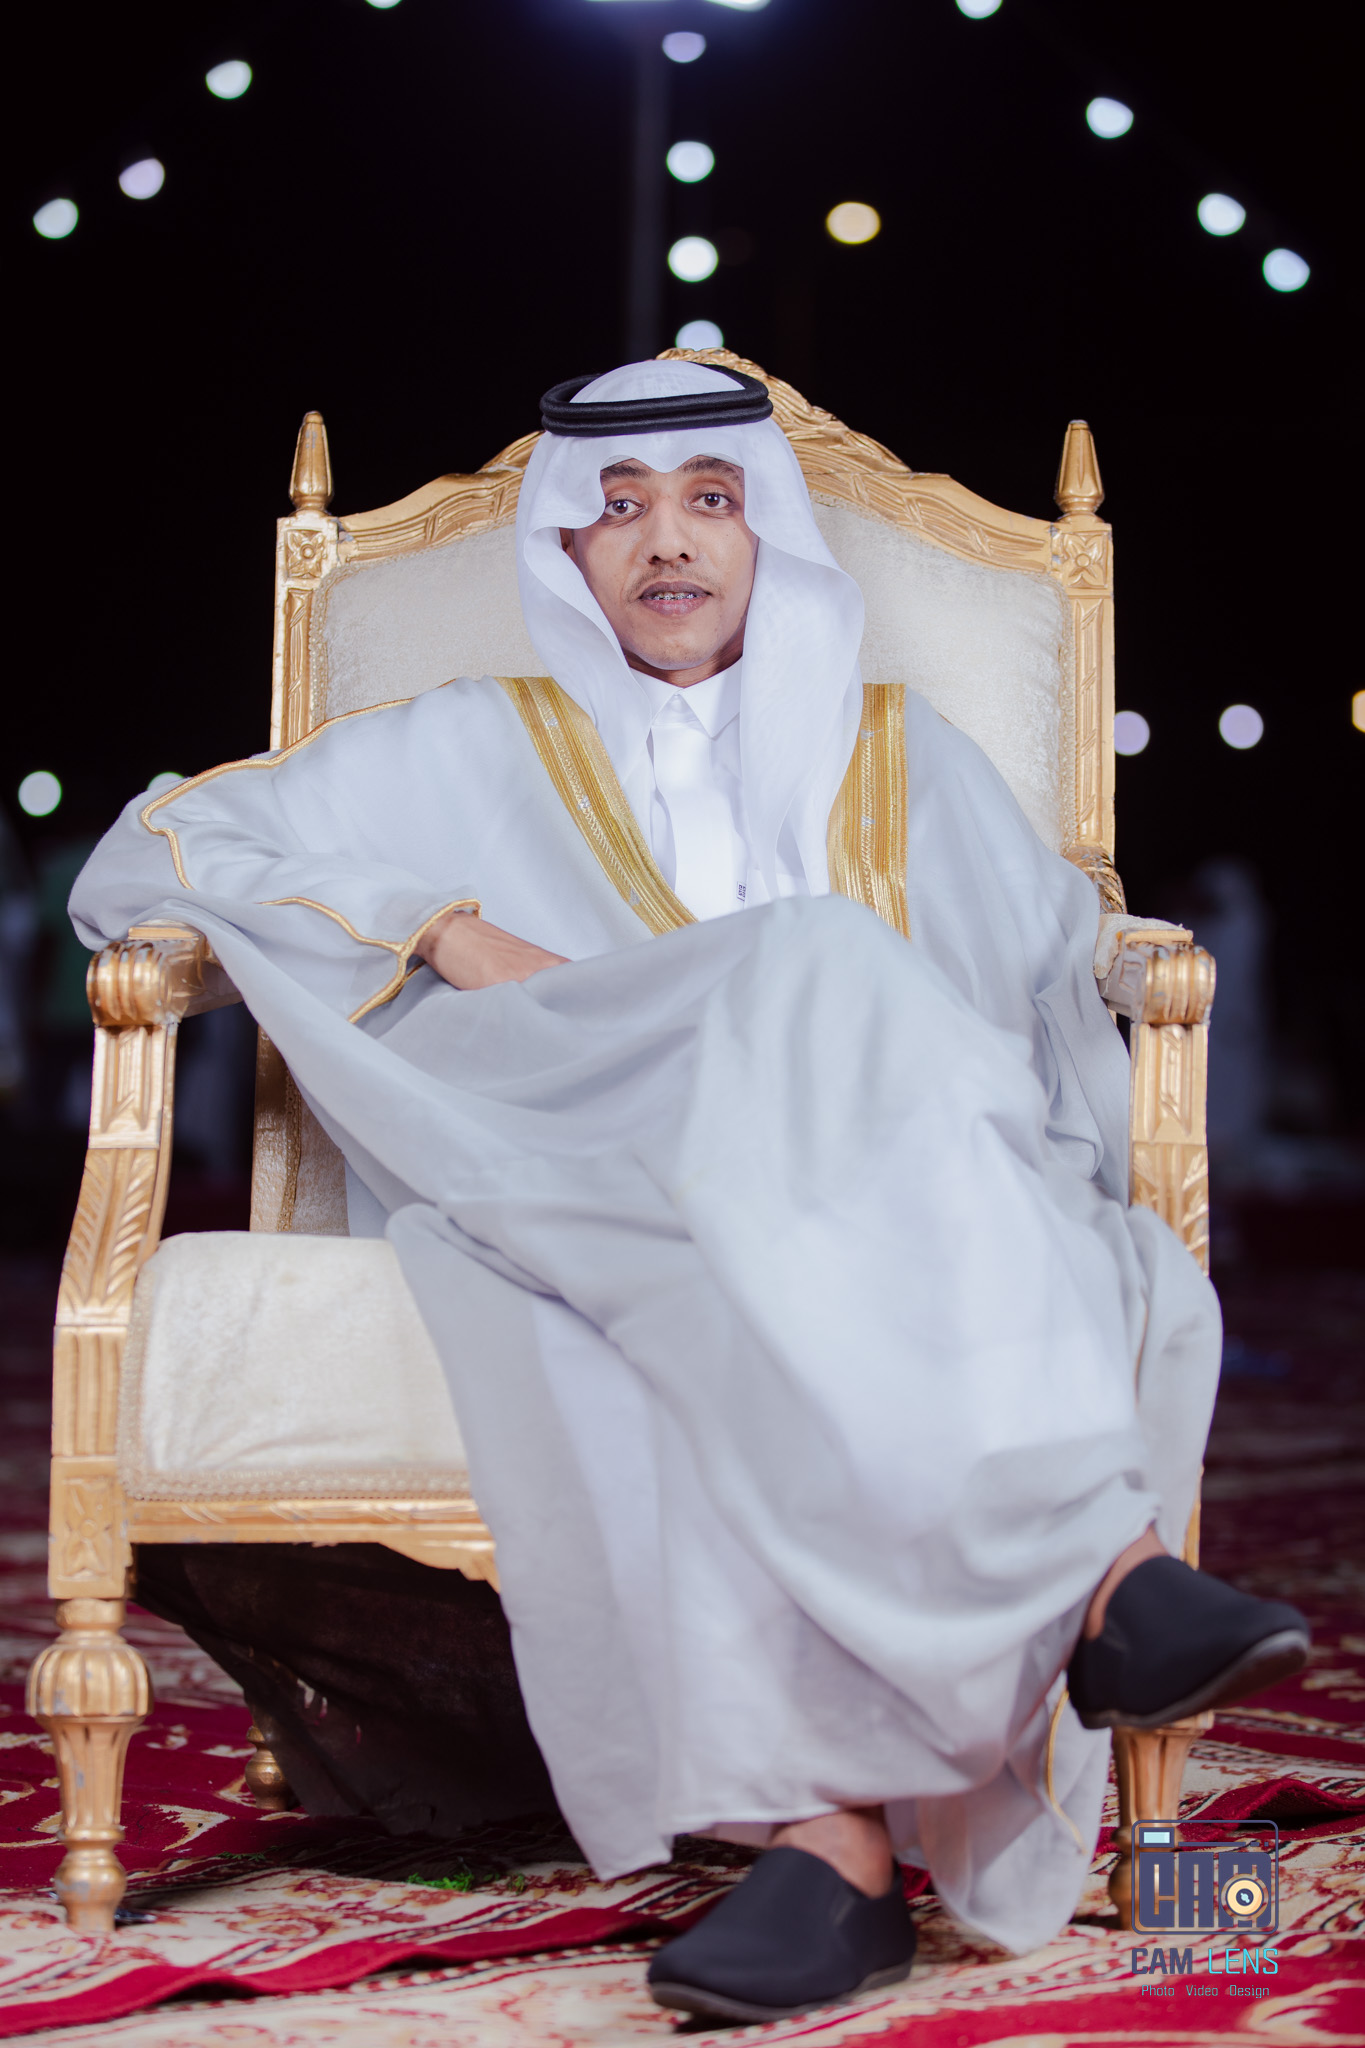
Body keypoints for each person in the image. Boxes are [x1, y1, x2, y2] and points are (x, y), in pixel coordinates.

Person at [71, 360, 1308, 2023]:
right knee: (813, 966)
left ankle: (831, 1858)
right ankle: (1104, 1578)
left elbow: (1041, 1001)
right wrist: (439, 926)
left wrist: (1034, 1195)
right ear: (563, 550)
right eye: (619, 509)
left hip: (861, 1190)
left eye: (710, 501)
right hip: (583, 1150)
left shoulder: (904, 752)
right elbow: (143, 857)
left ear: (764, 532)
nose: (666, 541)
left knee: (800, 1158)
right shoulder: (459, 744)